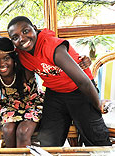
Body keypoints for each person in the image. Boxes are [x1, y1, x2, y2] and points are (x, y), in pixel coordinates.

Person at [7, 16, 112, 146]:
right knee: (48, 141)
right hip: (55, 93)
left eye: (25, 31)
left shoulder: (52, 46)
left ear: (34, 28)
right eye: (15, 37)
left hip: (80, 90)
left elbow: (83, 82)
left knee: (96, 138)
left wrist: (98, 104)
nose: (22, 38)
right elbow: (21, 75)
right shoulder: (22, 54)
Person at [0, 37, 93, 147]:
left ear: (13, 58)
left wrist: (81, 60)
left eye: (6, 58)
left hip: (33, 104)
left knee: (23, 131)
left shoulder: (25, 67)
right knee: (8, 130)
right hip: (9, 107)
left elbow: (55, 67)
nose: (1, 63)